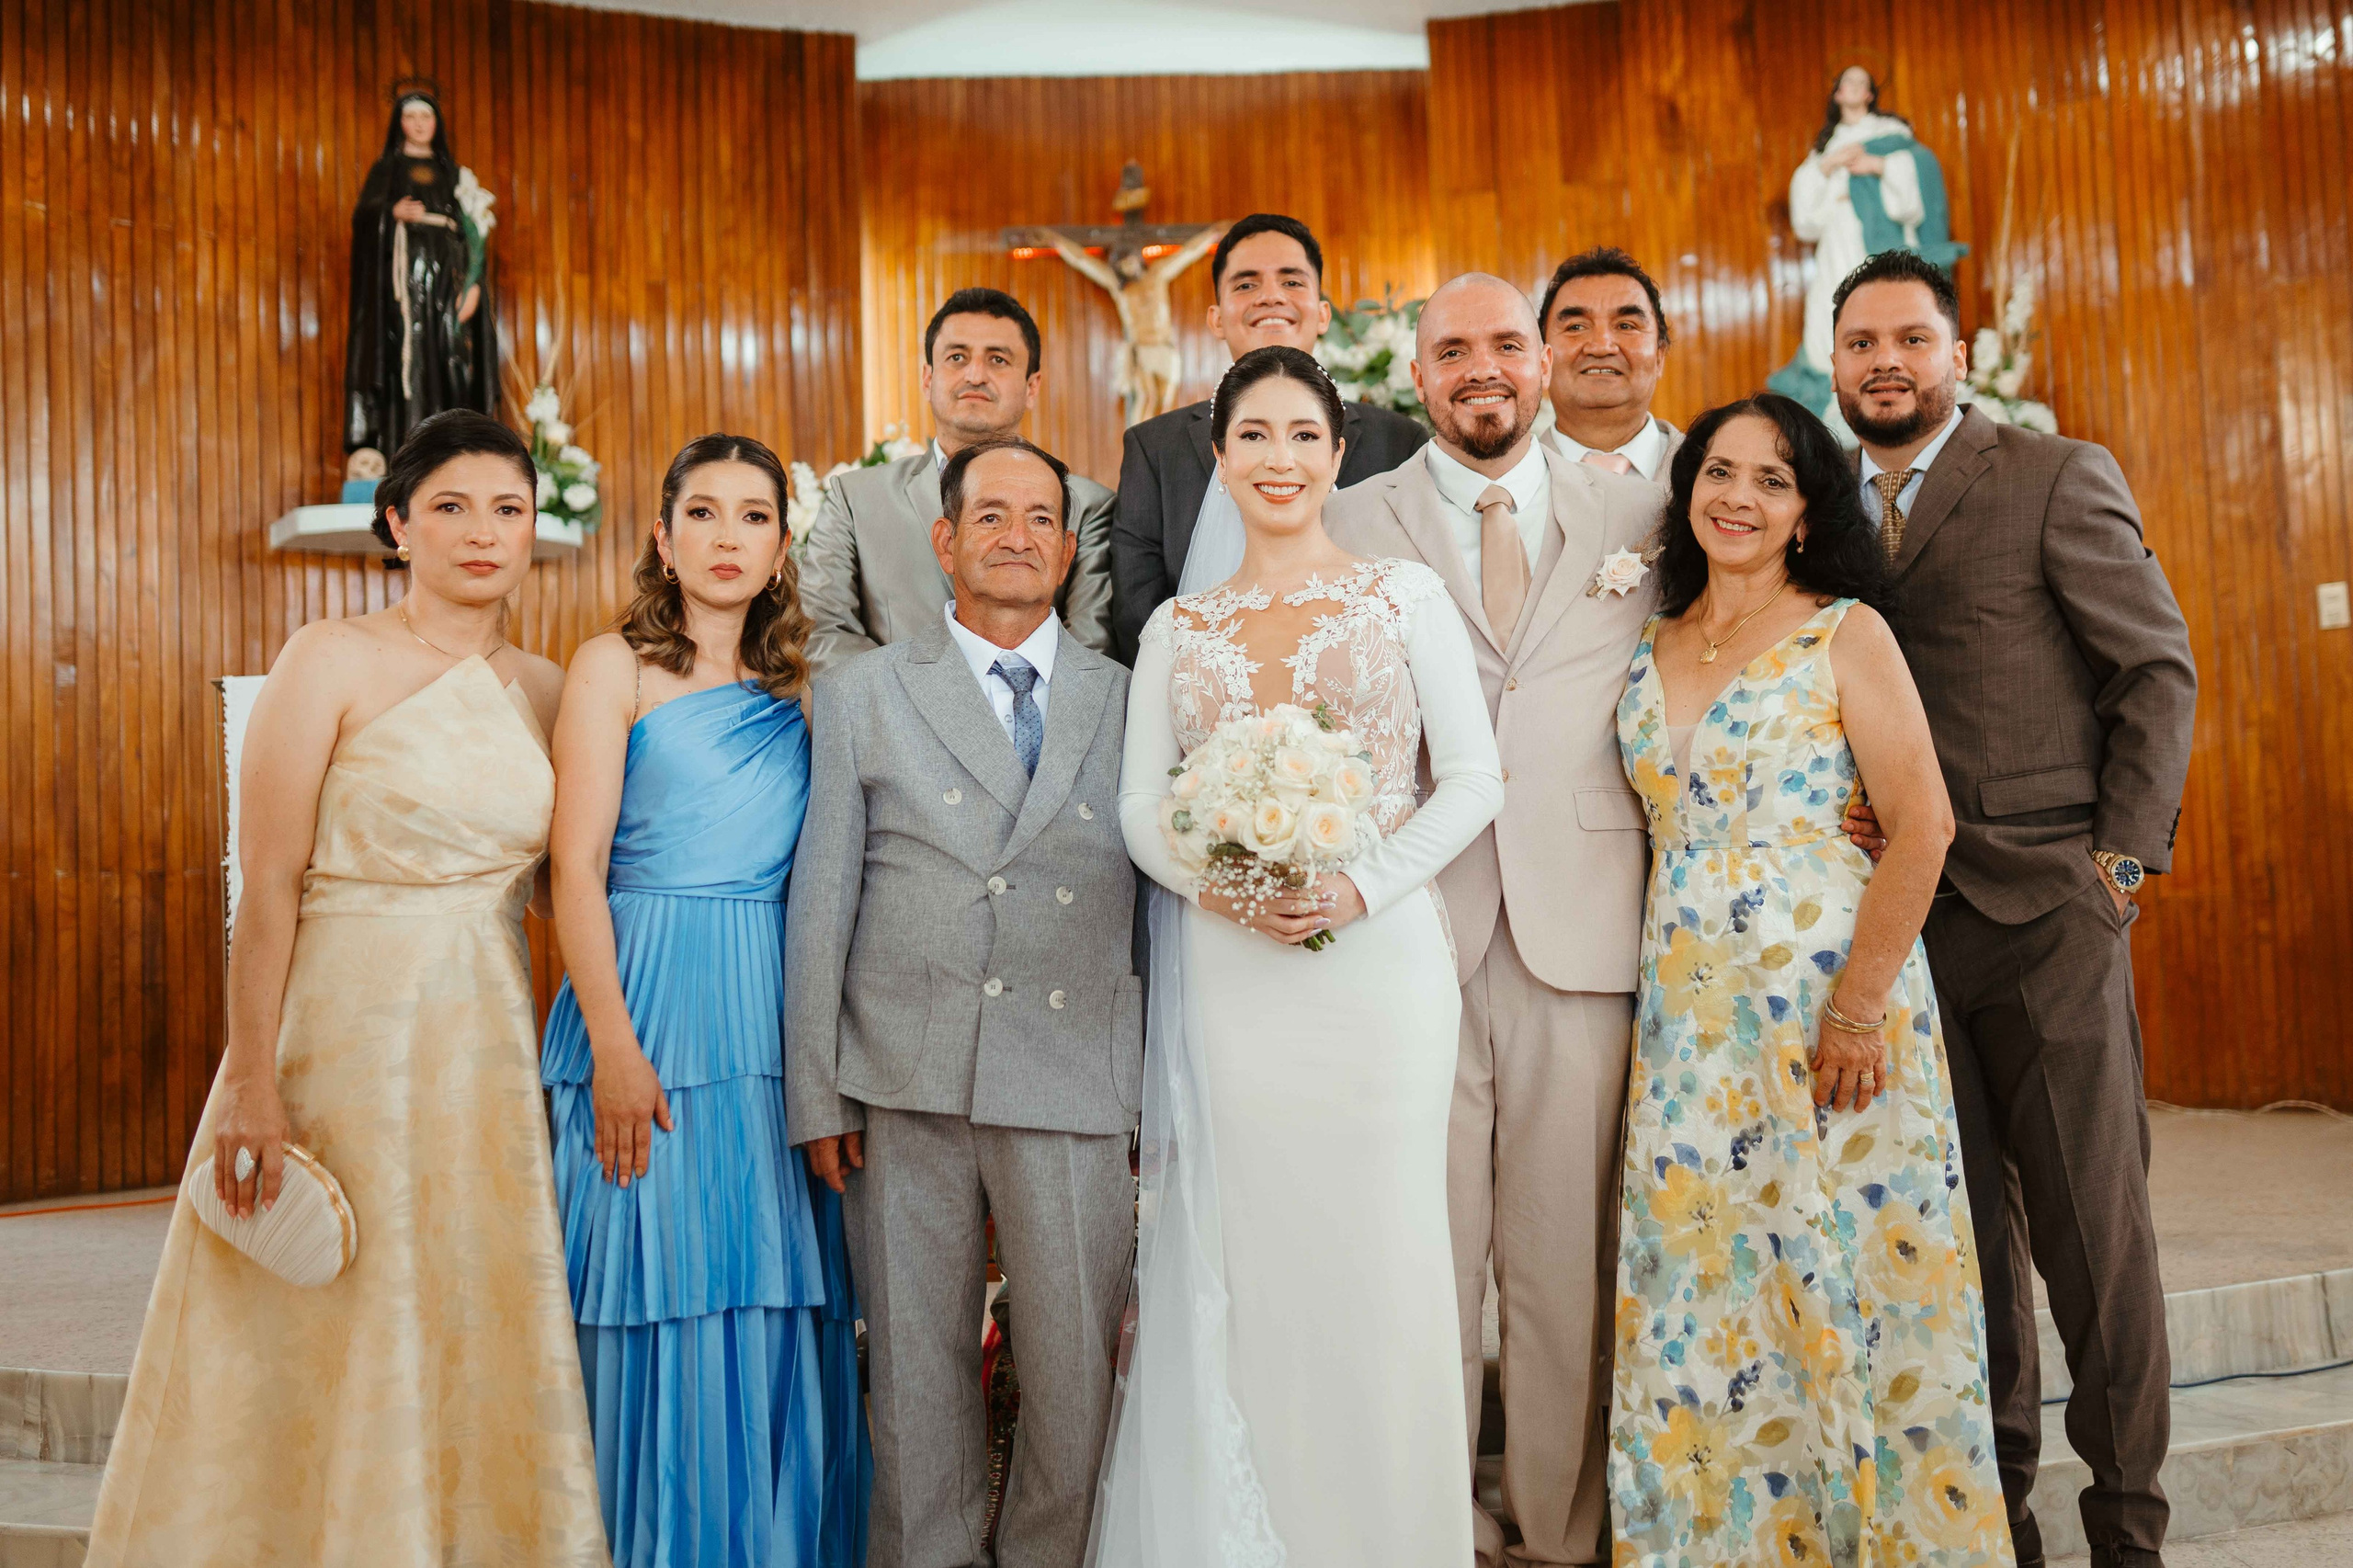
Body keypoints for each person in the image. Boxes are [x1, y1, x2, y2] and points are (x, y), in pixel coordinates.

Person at [85, 411, 607, 1566]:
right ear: (396, 524)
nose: (483, 533)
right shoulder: (327, 657)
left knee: (463, 1301)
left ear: (536, 531)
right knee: (320, 1303)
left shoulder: (548, 687)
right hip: (337, 1042)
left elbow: (567, 886)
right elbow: (265, 885)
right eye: (452, 507)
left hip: (479, 1048)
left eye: (509, 510)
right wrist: (253, 1085)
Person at [1095, 346, 1503, 1566]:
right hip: (1234, 975)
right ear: (1219, 457)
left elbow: (1475, 777)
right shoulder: (1179, 625)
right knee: (1251, 1248)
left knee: (1381, 1255)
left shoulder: (1403, 597)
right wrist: (1223, 881)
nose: (1279, 458)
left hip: (1378, 979)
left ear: (1337, 455)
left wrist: (1359, 879)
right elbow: (1139, 807)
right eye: (1254, 436)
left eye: (1302, 436)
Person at [1833, 249, 2197, 1568]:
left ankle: (2129, 1536)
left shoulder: (2053, 474)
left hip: (2048, 915)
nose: (1887, 360)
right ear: (1835, 360)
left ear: (1957, 355)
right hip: (1902, 938)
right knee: (1959, 1256)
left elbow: (2154, 670)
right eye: (1862, 340)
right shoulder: (1825, 513)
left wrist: (2119, 867)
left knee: (2097, 1248)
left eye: (1910, 339)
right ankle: (2003, 1528)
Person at [1609, 392, 2011, 1567]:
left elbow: (1922, 823)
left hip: (1832, 1009)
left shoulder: (1843, 629)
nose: (1738, 496)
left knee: (1849, 1273)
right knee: (1712, 1288)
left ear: (1805, 511)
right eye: (1719, 472)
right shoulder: (1653, 634)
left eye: (1772, 480)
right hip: (1690, 1028)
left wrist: (1856, 1008)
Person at [1324, 274, 1662, 1568]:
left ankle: (1559, 1524)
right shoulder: (1355, 519)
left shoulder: (1642, 510)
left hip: (1584, 927)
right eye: (1453, 348)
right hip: (1414, 931)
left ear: (1541, 364)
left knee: (1562, 1257)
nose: (1483, 367)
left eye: (1505, 344)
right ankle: (1430, 1520)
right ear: (1415, 374)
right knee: (1425, 1249)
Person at [786, 436, 1141, 1568]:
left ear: (1068, 547)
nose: (1017, 536)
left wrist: (1152, 1088)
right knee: (914, 1360)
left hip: (1075, 1068)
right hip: (902, 1073)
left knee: (1074, 1363)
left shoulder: (1129, 697)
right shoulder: (860, 694)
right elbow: (820, 899)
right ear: (944, 541)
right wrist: (815, 1093)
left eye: (1041, 517)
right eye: (990, 515)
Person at [540, 435, 868, 1568]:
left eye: (754, 517)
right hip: (646, 992)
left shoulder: (813, 687)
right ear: (662, 535)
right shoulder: (611, 667)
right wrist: (617, 1048)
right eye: (704, 514)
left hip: (770, 1012)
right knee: (650, 1279)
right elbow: (572, 869)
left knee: (774, 1288)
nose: (728, 538)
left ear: (784, 544)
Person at [1108, 212, 1430, 662]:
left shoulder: (1399, 441)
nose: (1271, 297)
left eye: (1292, 282)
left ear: (1322, 313)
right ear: (1216, 318)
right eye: (1246, 284)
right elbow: (1134, 612)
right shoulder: (1153, 447)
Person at [801, 288, 1116, 672]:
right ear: (927, 377)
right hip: (891, 724)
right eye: (957, 357)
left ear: (1032, 386)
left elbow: (1090, 645)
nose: (975, 375)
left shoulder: (1088, 504)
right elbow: (822, 632)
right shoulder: (854, 499)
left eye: (998, 359)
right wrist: (926, 706)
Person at [1768, 66, 1965, 434]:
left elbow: (1917, 172)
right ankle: (1836, 397)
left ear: (1871, 94)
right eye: (1847, 82)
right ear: (1838, 94)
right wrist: (1828, 165)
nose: (1854, 88)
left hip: (1875, 237)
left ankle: (1889, 392)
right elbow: (1806, 213)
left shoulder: (1889, 135)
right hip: (1837, 236)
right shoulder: (1827, 146)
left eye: (1862, 82)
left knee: (1883, 308)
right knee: (1827, 311)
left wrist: (1877, 165)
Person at [344, 91, 497, 458]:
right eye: (411, 117)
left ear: (436, 124)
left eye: (425, 117)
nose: (418, 124)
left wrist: (473, 285)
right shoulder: (387, 170)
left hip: (450, 282)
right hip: (402, 290)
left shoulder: (454, 174)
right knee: (405, 365)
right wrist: (390, 212)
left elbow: (473, 234)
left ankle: (452, 451)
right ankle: (406, 451)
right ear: (400, 124)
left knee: (452, 359)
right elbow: (364, 217)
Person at [1537, 246, 1683, 484]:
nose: (1601, 346)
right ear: (1543, 360)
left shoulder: (1707, 472)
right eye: (1575, 327)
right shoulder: (1503, 485)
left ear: (1659, 356)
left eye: (1626, 326)